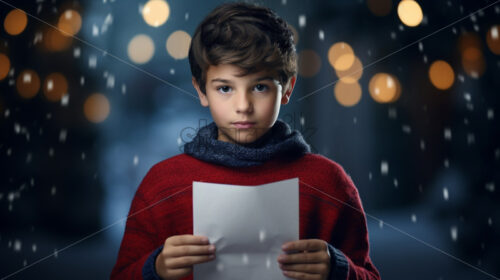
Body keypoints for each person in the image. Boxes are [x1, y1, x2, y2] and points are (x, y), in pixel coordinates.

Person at [110, 2, 380, 280]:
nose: (243, 105)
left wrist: (337, 269)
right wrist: (155, 269)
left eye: (260, 87)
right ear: (202, 91)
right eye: (225, 88)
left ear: (287, 89)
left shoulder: (328, 183)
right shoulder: (162, 185)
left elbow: (369, 275)